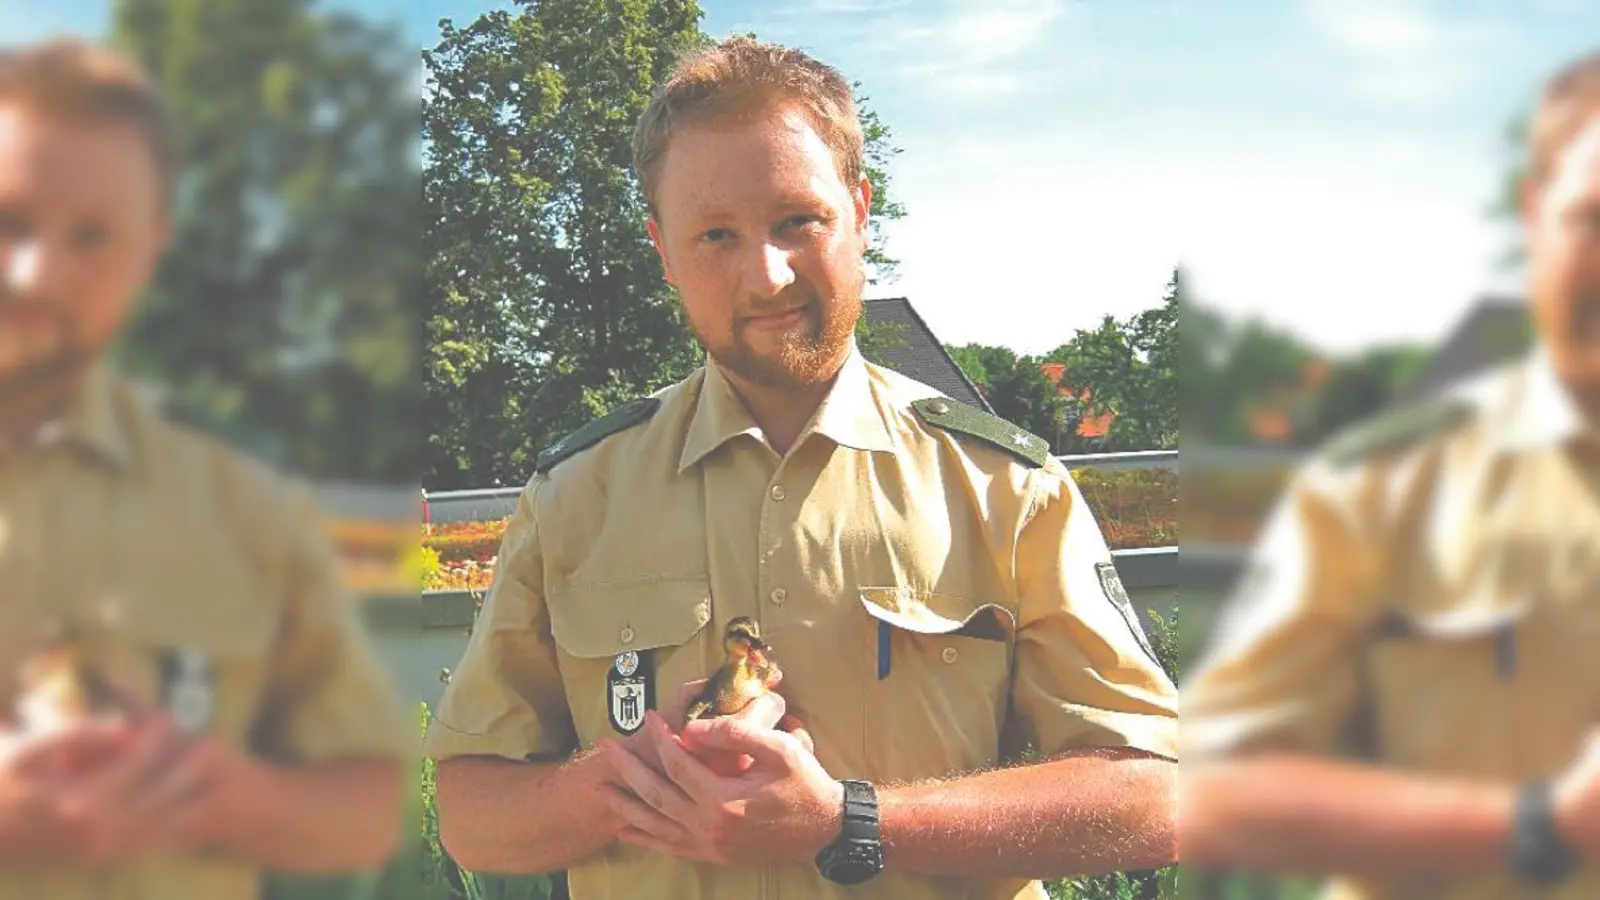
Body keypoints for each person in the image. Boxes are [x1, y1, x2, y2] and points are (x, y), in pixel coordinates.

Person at [424, 35, 1178, 900]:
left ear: (859, 210)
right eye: (716, 235)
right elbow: (470, 814)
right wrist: (635, 778)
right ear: (663, 251)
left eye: (798, 221)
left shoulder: (1006, 489)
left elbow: (1154, 796)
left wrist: (852, 822)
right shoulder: (574, 499)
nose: (767, 275)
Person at [1180, 49, 1600, 900]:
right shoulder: (1386, 487)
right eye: (1597, 218)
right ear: (1535, 216)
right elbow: (1216, 792)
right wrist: (1542, 823)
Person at [0, 37, 412, 898]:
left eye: (92, 236)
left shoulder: (239, 501)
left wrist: (223, 795)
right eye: (9, 221)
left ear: (151, 251)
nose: (36, 273)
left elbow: (369, 806)